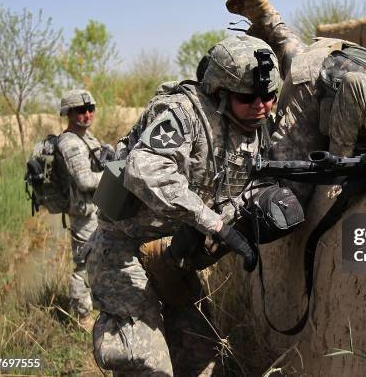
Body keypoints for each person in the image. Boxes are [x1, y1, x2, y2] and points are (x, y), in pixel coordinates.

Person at [85, 35, 282, 376]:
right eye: (247, 97)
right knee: (147, 363)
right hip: (122, 250)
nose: (261, 105)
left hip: (172, 254)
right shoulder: (181, 112)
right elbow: (145, 169)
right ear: (220, 93)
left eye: (269, 96)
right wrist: (214, 224)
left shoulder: (254, 128)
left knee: (202, 359)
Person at [226, 0, 366, 203]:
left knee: (295, 56)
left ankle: (264, 13)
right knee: (287, 182)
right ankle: (230, 210)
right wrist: (338, 163)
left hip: (332, 56)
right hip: (313, 84)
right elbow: (354, 85)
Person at [57, 89, 111, 328]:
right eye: (81, 110)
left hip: (96, 208)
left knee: (99, 258)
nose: (87, 114)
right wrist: (112, 175)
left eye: (90, 109)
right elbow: (86, 181)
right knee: (83, 264)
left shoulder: (87, 137)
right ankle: (82, 316)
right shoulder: (70, 142)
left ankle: (97, 303)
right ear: (68, 113)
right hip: (83, 212)